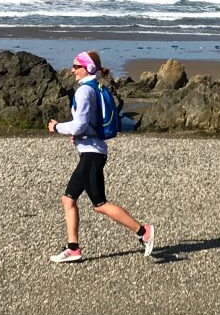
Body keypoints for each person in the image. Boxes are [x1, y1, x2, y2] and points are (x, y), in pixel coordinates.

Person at [47, 51, 154, 263]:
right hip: (91, 151)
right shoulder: (96, 87)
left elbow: (80, 124)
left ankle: (144, 232)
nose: (72, 70)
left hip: (92, 155)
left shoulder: (84, 91)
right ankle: (73, 249)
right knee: (68, 199)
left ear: (87, 68)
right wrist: (78, 136)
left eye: (76, 66)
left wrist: (57, 127)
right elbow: (89, 123)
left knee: (99, 204)